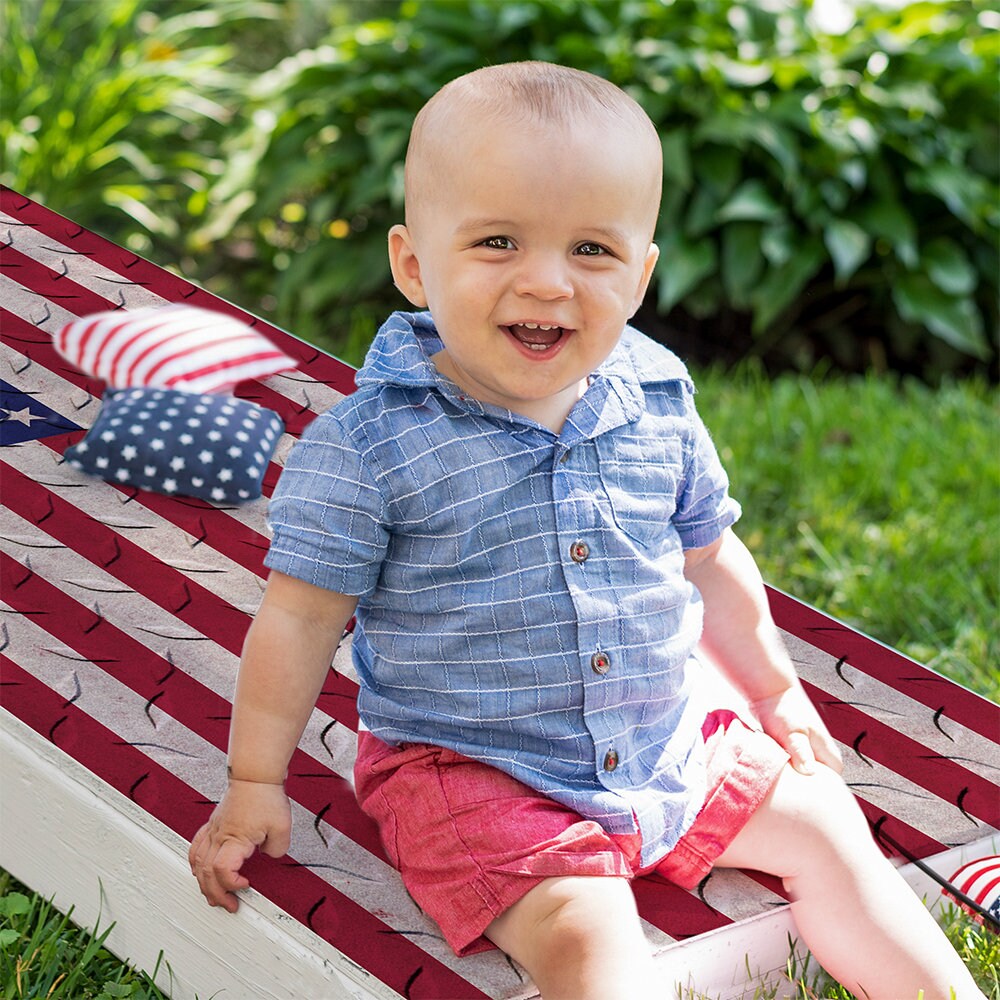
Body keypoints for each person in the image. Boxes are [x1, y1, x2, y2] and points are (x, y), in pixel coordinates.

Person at [189, 61, 983, 1000]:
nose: (547, 281)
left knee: (828, 827)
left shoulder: (657, 397)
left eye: (592, 250)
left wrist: (775, 691)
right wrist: (254, 781)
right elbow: (299, 617)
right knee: (586, 933)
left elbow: (708, 554)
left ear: (640, 275)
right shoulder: (372, 446)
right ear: (413, 265)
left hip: (663, 741)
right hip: (477, 771)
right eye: (497, 241)